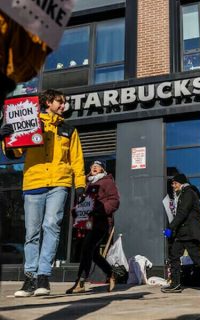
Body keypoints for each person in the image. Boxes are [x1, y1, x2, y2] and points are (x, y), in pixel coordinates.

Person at [3, 89, 86, 297]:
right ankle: (29, 279)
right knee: (32, 232)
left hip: (59, 182)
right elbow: (16, 152)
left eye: (64, 102)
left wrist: (81, 185)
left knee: (51, 225)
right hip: (34, 182)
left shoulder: (69, 129)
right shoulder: (30, 122)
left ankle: (43, 277)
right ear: (48, 102)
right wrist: (6, 139)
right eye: (60, 101)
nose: (63, 105)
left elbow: (76, 159)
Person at [161, 173, 200, 294]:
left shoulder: (188, 193)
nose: (173, 185)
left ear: (181, 183)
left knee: (195, 257)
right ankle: (175, 284)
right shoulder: (182, 194)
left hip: (189, 232)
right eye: (172, 183)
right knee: (174, 255)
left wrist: (170, 227)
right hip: (183, 233)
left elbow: (182, 213)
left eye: (174, 183)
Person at [66, 160, 120, 294]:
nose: (94, 167)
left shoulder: (107, 182)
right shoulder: (87, 184)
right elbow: (84, 203)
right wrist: (75, 210)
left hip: (100, 222)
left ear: (102, 170)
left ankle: (80, 281)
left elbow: (114, 201)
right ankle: (111, 273)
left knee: (87, 248)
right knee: (93, 253)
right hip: (86, 223)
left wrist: (99, 210)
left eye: (98, 166)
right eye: (92, 166)